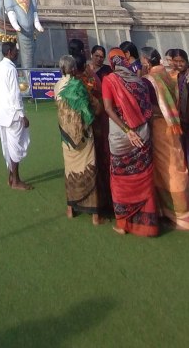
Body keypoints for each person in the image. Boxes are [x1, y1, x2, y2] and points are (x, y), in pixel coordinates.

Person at [102, 48, 159, 236]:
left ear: (112, 63)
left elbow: (109, 109)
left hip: (120, 135)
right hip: (143, 133)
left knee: (120, 179)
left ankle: (123, 225)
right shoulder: (140, 82)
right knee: (143, 176)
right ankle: (148, 226)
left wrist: (127, 130)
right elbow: (148, 109)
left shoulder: (109, 80)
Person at [140, 46, 189, 230]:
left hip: (160, 127)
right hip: (174, 126)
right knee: (177, 163)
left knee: (167, 169)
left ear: (146, 61)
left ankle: (178, 215)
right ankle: (175, 212)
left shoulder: (149, 80)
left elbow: (149, 107)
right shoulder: (168, 75)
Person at [55, 55, 102, 224]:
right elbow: (95, 109)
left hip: (66, 137)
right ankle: (95, 216)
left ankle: (70, 209)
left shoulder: (57, 86)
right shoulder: (79, 86)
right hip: (84, 136)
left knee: (70, 170)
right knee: (89, 167)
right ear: (74, 69)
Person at [73, 51, 112, 216]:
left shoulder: (85, 82)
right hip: (90, 128)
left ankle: (97, 202)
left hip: (91, 127)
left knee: (93, 161)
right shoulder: (84, 79)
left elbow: (97, 107)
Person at [0, 42, 32, 190]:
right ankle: (16, 180)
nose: (17, 53)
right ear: (9, 52)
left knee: (7, 146)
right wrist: (22, 115)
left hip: (0, 114)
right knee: (15, 147)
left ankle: (11, 177)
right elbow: (15, 94)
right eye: (15, 51)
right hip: (12, 114)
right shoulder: (10, 68)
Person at [171, 48, 189, 166]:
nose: (179, 64)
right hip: (183, 118)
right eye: (176, 61)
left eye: (181, 61)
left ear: (187, 61)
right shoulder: (178, 76)